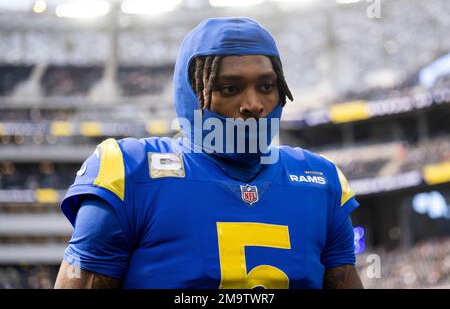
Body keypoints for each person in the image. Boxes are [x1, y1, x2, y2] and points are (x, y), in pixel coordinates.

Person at [54, 17, 363, 289]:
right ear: (191, 95)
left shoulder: (320, 181)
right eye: (230, 89)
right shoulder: (129, 172)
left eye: (267, 86)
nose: (253, 104)